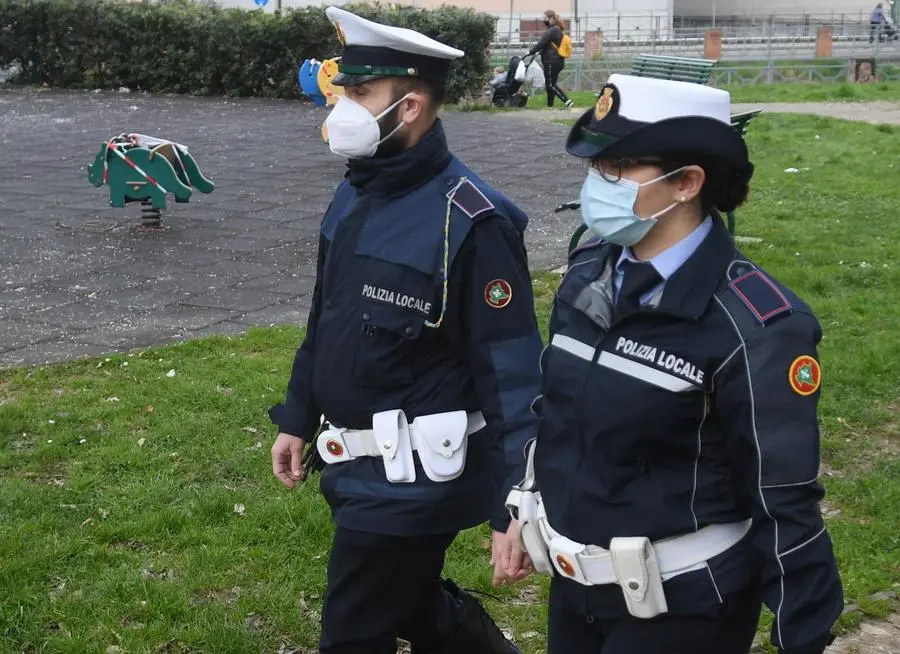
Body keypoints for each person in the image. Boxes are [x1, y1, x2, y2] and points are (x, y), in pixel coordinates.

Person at [499, 74, 845, 654]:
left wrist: (802, 634)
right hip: (576, 590)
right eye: (595, 166)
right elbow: (556, 409)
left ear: (686, 182)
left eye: (620, 166)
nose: (597, 182)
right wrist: (522, 502)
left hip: (684, 605)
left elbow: (782, 498)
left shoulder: (756, 326)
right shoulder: (590, 268)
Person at [268, 6, 543, 654]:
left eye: (359, 94)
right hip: (351, 468)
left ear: (411, 106)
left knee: (352, 631)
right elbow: (324, 318)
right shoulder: (355, 193)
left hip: (414, 486)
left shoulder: (472, 221)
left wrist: (516, 503)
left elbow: (512, 375)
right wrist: (297, 414)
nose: (342, 108)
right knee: (413, 603)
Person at [527, 9, 573, 109]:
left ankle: (567, 101)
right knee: (551, 84)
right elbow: (548, 45)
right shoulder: (555, 29)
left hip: (552, 61)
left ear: (551, 18)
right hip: (556, 61)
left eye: (545, 18)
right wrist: (541, 51)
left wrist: (531, 52)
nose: (544, 21)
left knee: (551, 85)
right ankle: (550, 105)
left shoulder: (553, 30)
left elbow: (542, 42)